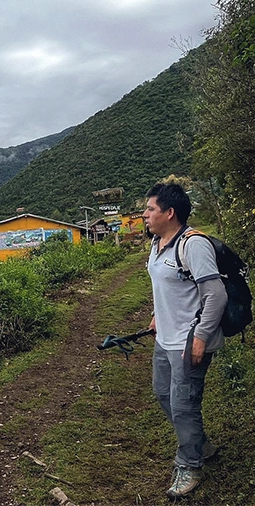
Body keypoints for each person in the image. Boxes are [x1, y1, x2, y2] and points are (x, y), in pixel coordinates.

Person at [143, 183, 227, 499]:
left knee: (183, 404)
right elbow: (167, 284)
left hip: (188, 340)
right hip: (165, 338)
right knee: (163, 393)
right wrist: (156, 314)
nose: (145, 214)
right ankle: (200, 445)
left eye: (151, 208)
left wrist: (201, 337)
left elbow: (215, 294)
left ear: (169, 213)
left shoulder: (194, 245)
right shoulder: (157, 242)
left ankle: (189, 463)